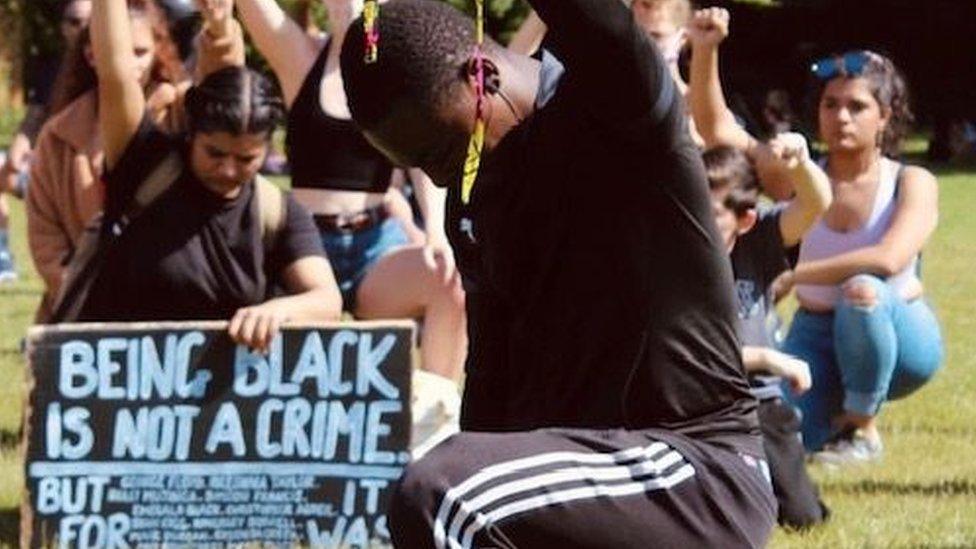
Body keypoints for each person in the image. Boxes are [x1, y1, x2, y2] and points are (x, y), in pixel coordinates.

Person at [340, 1, 776, 546]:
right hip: (582, 484)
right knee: (450, 489)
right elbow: (491, 386)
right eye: (417, 164)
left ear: (484, 75)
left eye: (442, 147)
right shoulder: (474, 198)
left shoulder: (615, 105)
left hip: (696, 472)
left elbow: (594, 19)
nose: (438, 173)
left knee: (442, 496)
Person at [78, 0, 341, 351]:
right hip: (122, 386)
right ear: (192, 133)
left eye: (247, 158)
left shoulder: (277, 211)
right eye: (214, 153)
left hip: (220, 398)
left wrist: (280, 311)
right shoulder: (142, 164)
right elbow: (116, 73)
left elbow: (327, 300)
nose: (229, 170)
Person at [234, 0, 466, 381]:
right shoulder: (302, 57)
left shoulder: (398, 71)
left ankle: (435, 416)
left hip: (374, 246)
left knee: (448, 278)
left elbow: (423, 156)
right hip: (304, 248)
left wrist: (437, 232)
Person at [25, 0, 243, 323]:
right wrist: (87, 297)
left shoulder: (181, 111)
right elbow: (46, 239)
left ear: (157, 51)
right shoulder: (58, 137)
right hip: (86, 317)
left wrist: (222, 29)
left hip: (175, 309)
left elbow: (225, 92)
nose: (128, 63)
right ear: (91, 54)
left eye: (139, 51)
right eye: (119, 50)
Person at [784, 50, 944, 464]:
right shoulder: (801, 179)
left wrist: (792, 275)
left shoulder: (912, 181)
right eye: (830, 105)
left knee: (863, 289)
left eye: (857, 106)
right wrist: (704, 51)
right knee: (778, 435)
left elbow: (889, 259)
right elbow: (724, 135)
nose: (841, 117)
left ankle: (861, 427)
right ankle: (829, 424)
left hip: (899, 334)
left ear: (885, 117)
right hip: (815, 333)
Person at [703, 141, 832, 529]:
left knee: (802, 517)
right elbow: (689, 356)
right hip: (700, 401)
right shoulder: (674, 253)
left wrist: (801, 164)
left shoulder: (756, 245)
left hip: (759, 402)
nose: (697, 223)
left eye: (710, 214)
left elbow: (814, 204)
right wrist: (768, 358)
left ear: (745, 220)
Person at [0, 0, 93, 282]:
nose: (79, 28)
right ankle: (3, 255)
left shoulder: (107, 66)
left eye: (86, 21)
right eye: (73, 22)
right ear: (63, 26)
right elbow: (34, 116)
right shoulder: (47, 68)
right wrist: (19, 147)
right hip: (47, 164)